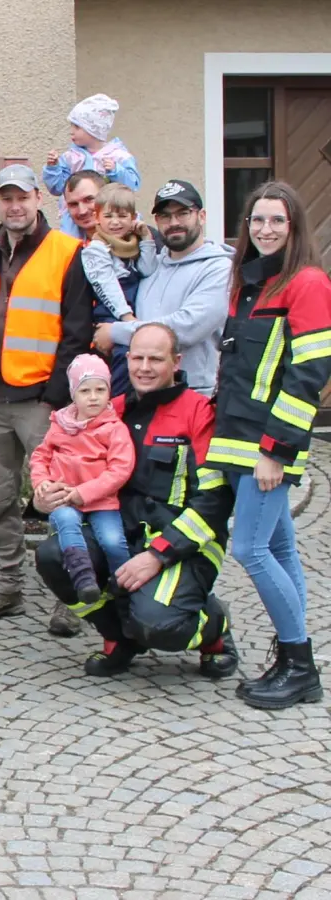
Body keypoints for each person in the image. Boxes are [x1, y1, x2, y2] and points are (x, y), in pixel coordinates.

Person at [33, 323, 239, 679]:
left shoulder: (199, 412)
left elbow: (215, 501)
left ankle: (214, 629)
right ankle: (118, 637)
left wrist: (158, 554)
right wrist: (45, 492)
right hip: (122, 529)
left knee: (158, 625)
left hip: (184, 543)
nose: (144, 367)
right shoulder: (109, 410)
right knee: (53, 556)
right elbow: (61, 460)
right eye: (138, 358)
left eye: (155, 359)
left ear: (176, 362)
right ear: (126, 359)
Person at [208, 181, 331, 709]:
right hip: (237, 438)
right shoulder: (249, 283)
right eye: (257, 220)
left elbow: (310, 374)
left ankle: (301, 665)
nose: (265, 229)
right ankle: (291, 659)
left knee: (250, 549)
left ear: (294, 225)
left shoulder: (308, 283)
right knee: (278, 548)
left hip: (266, 445)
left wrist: (276, 450)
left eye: (277, 220)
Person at [0, 165, 95, 632]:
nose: (14, 206)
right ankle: (7, 586)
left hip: (39, 400)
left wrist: (56, 396)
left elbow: (76, 331)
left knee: (58, 496)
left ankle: (70, 595)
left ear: (38, 198)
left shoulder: (67, 252)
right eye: (6, 198)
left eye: (22, 197)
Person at [96, 180, 231, 397]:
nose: (174, 222)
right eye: (165, 216)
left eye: (183, 213)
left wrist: (116, 332)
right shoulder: (152, 266)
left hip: (192, 392)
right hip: (143, 392)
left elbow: (186, 327)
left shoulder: (219, 268)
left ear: (202, 216)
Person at [29, 353, 135, 609]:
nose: (93, 397)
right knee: (66, 522)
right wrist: (41, 481)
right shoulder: (61, 424)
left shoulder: (114, 428)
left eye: (100, 390)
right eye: (85, 391)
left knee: (112, 540)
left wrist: (83, 493)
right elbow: (41, 456)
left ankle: (123, 584)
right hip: (64, 497)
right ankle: (83, 577)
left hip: (101, 501)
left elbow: (120, 469)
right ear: (73, 394)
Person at [81, 183, 156, 395]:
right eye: (108, 216)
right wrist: (126, 317)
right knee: (124, 359)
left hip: (134, 314)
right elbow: (106, 286)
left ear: (133, 218)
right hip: (112, 314)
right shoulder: (96, 250)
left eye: (122, 216)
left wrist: (146, 239)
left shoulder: (133, 245)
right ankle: (117, 403)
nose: (115, 222)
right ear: (97, 218)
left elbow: (148, 269)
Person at [44, 93, 140, 239]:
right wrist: (53, 168)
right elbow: (57, 188)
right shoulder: (70, 157)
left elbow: (132, 185)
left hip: (111, 216)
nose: (71, 131)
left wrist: (116, 171)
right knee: (70, 245)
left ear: (93, 129)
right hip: (74, 222)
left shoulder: (118, 156)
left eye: (77, 127)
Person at [61, 170, 105, 239]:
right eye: (73, 204)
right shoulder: (63, 243)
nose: (82, 211)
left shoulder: (123, 242)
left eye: (89, 199)